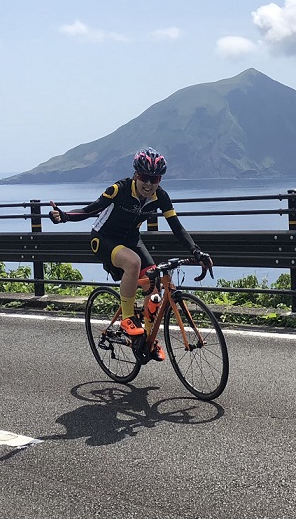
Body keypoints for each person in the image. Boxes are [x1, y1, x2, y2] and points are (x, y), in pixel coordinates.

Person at [49, 148, 211, 361]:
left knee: (154, 284)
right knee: (133, 262)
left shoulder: (161, 197)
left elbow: (176, 227)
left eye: (155, 179)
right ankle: (127, 319)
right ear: (136, 174)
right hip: (104, 238)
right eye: (144, 177)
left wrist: (196, 251)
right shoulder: (120, 189)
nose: (149, 183)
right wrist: (65, 216)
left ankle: (148, 341)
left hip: (132, 240)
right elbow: (91, 210)